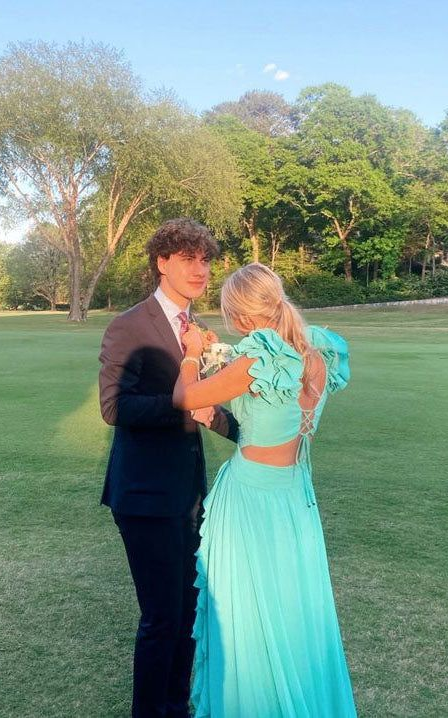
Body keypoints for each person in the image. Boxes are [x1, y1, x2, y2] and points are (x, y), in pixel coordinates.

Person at [173, 263, 357, 717]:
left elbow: (185, 397)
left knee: (248, 614)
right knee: (292, 607)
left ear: (240, 315)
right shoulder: (317, 353)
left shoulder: (258, 359)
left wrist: (192, 354)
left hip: (250, 501)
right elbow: (271, 413)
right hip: (293, 498)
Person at [99, 218, 239, 718]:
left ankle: (177, 707)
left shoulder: (197, 329)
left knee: (187, 614)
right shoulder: (129, 326)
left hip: (189, 494)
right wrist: (184, 405)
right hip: (144, 495)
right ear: (162, 262)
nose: (199, 270)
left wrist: (245, 430)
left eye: (205, 260)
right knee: (161, 618)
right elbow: (115, 408)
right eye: (187, 259)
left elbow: (208, 402)